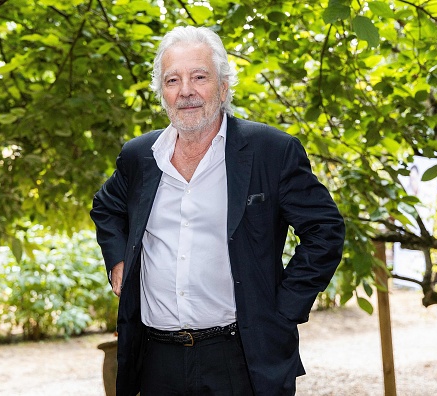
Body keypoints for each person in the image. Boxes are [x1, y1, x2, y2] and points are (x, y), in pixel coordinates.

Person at [90, 26, 345, 396]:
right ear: (162, 93)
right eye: (173, 80)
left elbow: (326, 231)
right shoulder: (139, 157)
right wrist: (117, 261)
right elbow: (106, 207)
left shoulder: (271, 151)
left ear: (223, 87)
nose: (186, 91)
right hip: (156, 359)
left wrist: (283, 309)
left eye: (199, 77)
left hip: (241, 358)